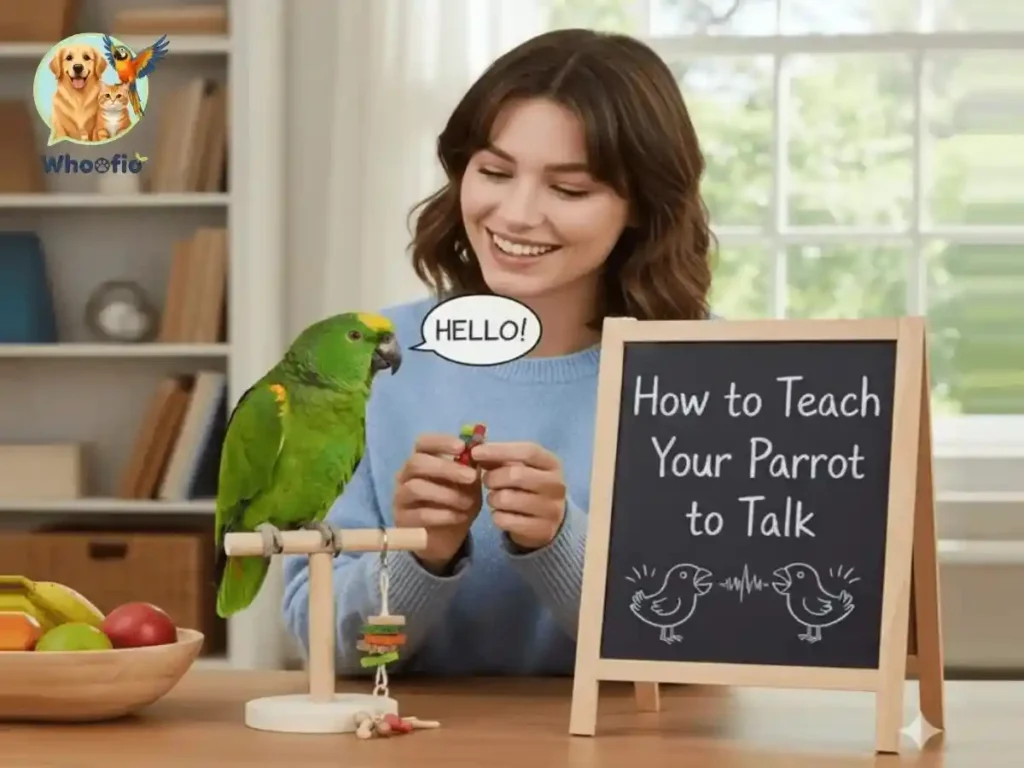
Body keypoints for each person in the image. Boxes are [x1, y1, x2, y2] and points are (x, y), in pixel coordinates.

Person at [282, 27, 715, 676]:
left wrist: (560, 544)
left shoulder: (715, 376)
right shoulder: (361, 364)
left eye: (569, 190)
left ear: (641, 206)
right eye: (493, 172)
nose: (516, 214)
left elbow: (702, 649)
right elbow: (335, 654)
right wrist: (420, 558)